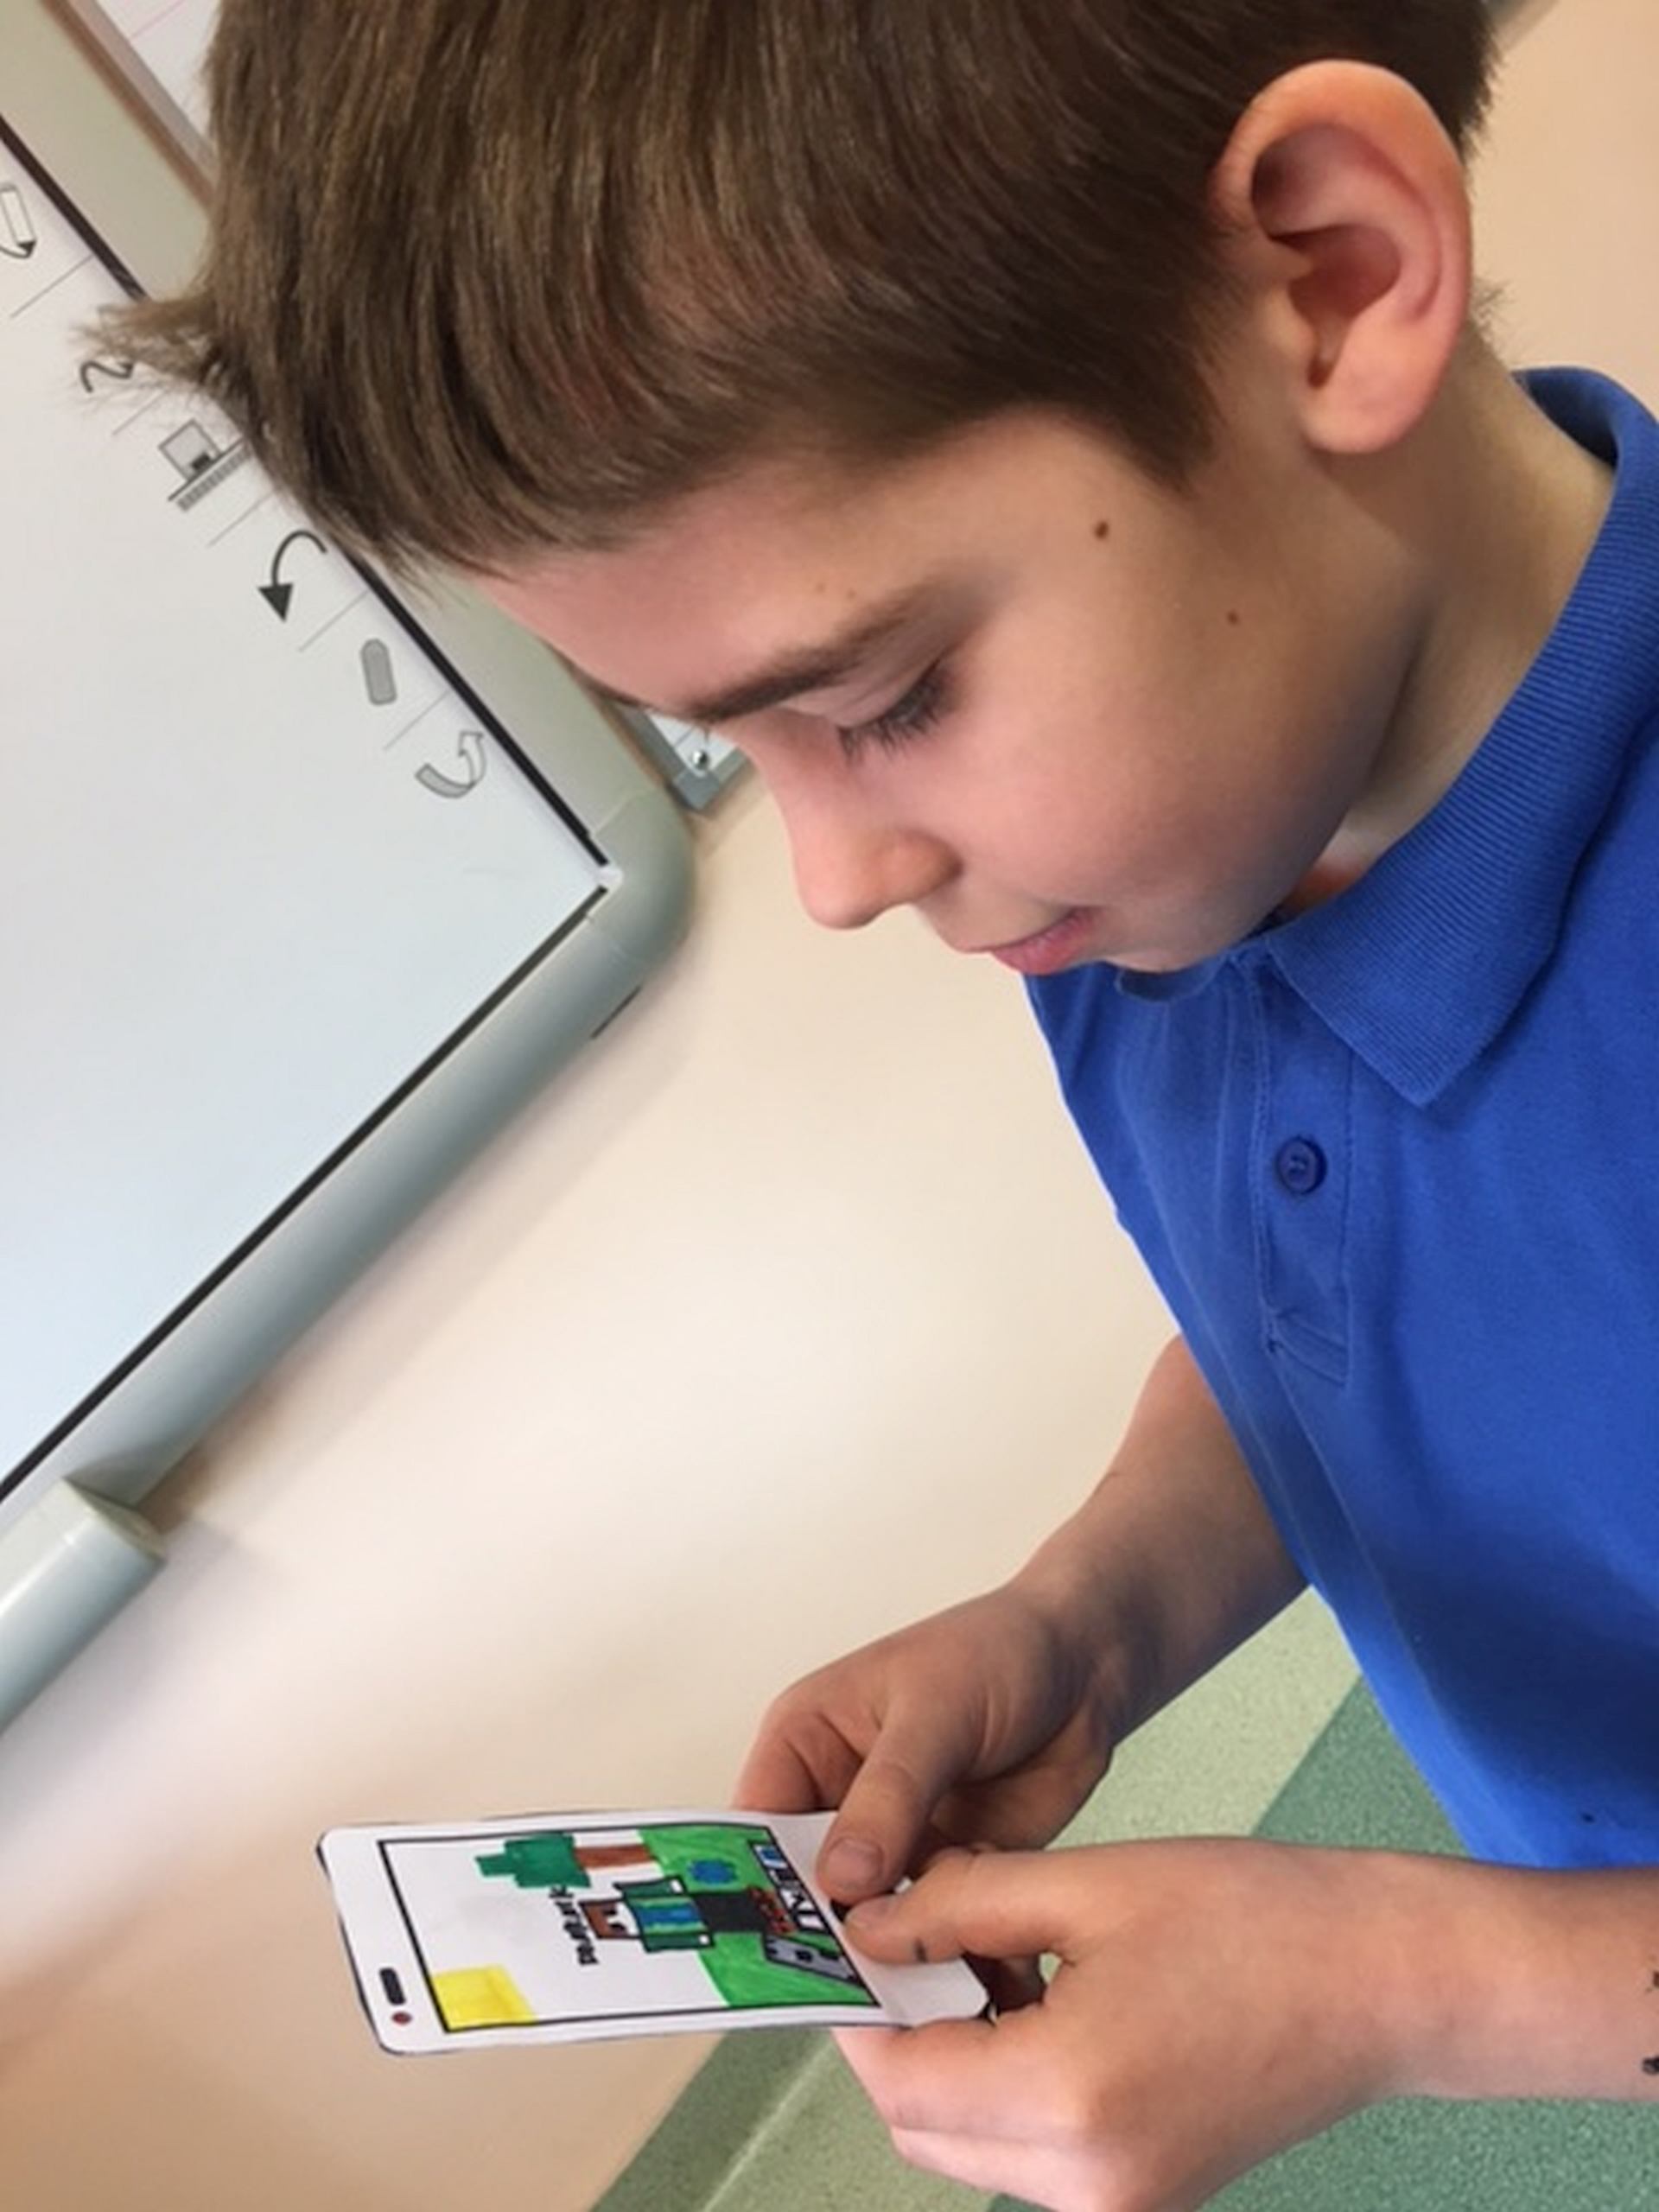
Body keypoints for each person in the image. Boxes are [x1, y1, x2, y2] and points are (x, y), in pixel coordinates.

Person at [121, 3, 1659, 2204]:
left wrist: (1434, 1984)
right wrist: (1088, 1614)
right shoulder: (1155, 886)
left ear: (1331, 280)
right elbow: (1340, 1331)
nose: (837, 877)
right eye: (731, 744)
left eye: (889, 697)